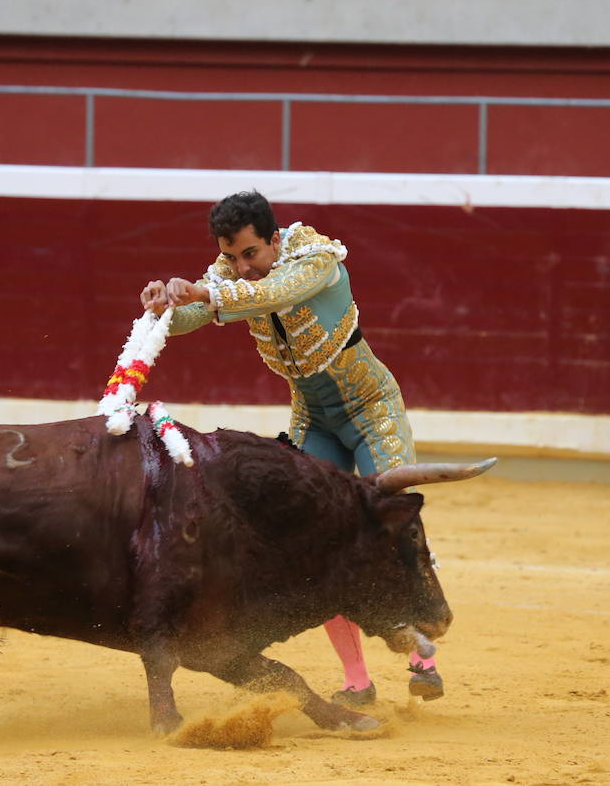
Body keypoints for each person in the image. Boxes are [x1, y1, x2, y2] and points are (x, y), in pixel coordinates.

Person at [139, 189, 442, 707]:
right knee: (314, 541)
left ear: (275, 239)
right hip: (314, 420)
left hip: (371, 410)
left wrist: (208, 294)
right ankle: (356, 680)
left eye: (250, 254)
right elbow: (197, 314)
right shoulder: (233, 275)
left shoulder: (319, 260)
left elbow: (274, 294)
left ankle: (424, 659)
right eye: (231, 257)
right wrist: (166, 304)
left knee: (389, 520)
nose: (242, 267)